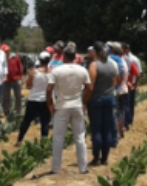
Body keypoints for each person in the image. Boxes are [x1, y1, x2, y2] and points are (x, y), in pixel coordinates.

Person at [47, 46, 91, 174]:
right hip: (77, 106)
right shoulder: (82, 70)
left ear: (64, 57)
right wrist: (84, 102)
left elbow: (49, 89)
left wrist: (50, 105)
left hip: (61, 106)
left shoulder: (57, 70)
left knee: (58, 137)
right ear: (75, 57)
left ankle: (55, 168)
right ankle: (83, 167)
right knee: (80, 137)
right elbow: (89, 88)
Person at [85, 42, 119, 166]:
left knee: (96, 129)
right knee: (107, 129)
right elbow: (115, 82)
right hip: (109, 98)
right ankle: (105, 158)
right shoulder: (112, 65)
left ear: (96, 52)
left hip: (97, 99)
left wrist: (85, 100)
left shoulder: (94, 65)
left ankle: (96, 158)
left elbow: (90, 86)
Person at [15, 51, 52, 146]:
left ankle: (19, 140)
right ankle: (44, 143)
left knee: (27, 120)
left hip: (33, 99)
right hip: (45, 100)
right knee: (45, 122)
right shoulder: (52, 72)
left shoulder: (34, 72)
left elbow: (28, 85)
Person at [108, 42, 130, 138]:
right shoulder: (123, 61)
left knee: (113, 112)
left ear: (113, 50)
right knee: (121, 112)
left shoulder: (114, 60)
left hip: (116, 90)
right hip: (123, 90)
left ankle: (115, 133)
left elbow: (117, 78)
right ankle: (119, 131)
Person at [1, 44, 24, 117]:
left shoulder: (15, 57)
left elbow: (20, 68)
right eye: (5, 51)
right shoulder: (1, 59)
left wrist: (21, 77)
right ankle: (6, 111)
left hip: (15, 80)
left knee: (18, 96)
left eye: (7, 50)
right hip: (5, 81)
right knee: (6, 97)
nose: (6, 52)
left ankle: (18, 111)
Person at [124, 43, 141, 129]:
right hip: (129, 84)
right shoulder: (128, 59)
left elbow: (138, 73)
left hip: (131, 83)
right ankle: (128, 119)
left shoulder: (133, 59)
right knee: (128, 103)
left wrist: (136, 83)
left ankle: (129, 120)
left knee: (129, 103)